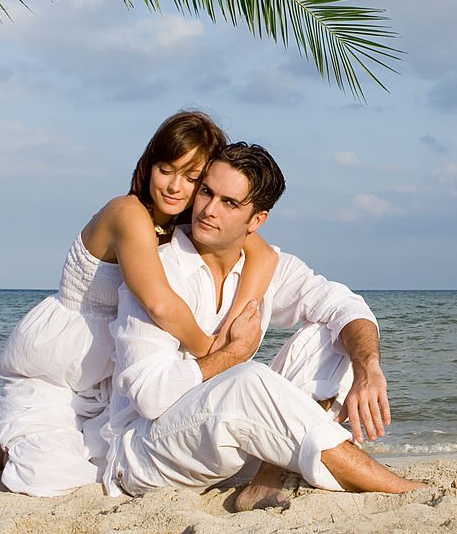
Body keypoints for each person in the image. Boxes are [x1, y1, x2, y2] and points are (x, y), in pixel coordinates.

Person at [104, 142, 423, 509]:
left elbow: (345, 304)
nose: (208, 210)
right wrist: (232, 355)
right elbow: (150, 396)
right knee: (247, 380)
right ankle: (391, 485)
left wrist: (368, 370)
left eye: (230, 203)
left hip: (223, 448)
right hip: (146, 452)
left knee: (330, 339)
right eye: (206, 192)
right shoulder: (159, 270)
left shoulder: (268, 268)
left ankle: (265, 481)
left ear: (256, 220)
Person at [0, 111, 279, 498]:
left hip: (108, 374)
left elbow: (264, 254)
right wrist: (217, 351)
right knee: (50, 480)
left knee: (99, 464)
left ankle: (18, 440)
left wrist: (242, 312)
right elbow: (158, 303)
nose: (175, 187)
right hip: (61, 360)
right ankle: (13, 441)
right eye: (166, 169)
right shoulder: (128, 212)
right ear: (148, 164)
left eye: (192, 180)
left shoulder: (185, 216)